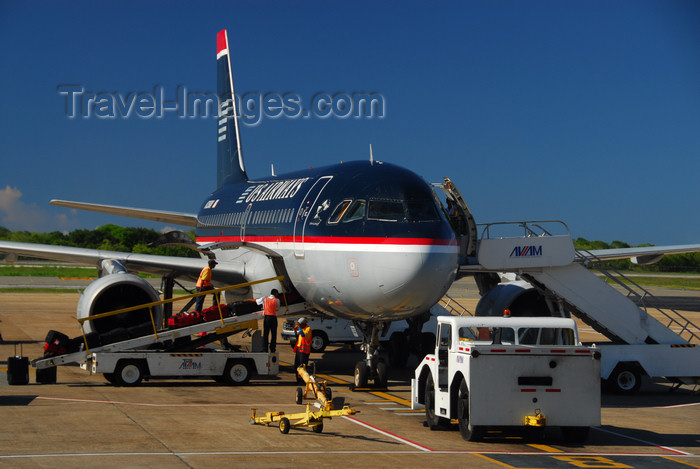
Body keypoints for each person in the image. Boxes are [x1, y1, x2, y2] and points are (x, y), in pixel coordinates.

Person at [256, 289, 280, 353]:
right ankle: (272, 349)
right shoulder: (277, 300)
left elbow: (257, 302)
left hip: (267, 318)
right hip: (274, 318)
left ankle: (265, 349)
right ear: (275, 293)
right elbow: (277, 309)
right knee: (274, 334)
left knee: (266, 334)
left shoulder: (264, 298)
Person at [293, 317, 312, 383]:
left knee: (302, 366)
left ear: (304, 324)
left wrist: (299, 328)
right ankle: (298, 380)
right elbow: (297, 338)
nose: (299, 326)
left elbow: (303, 335)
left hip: (304, 351)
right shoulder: (302, 329)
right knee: (296, 366)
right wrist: (295, 331)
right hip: (299, 350)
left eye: (300, 324)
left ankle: (302, 380)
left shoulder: (308, 329)